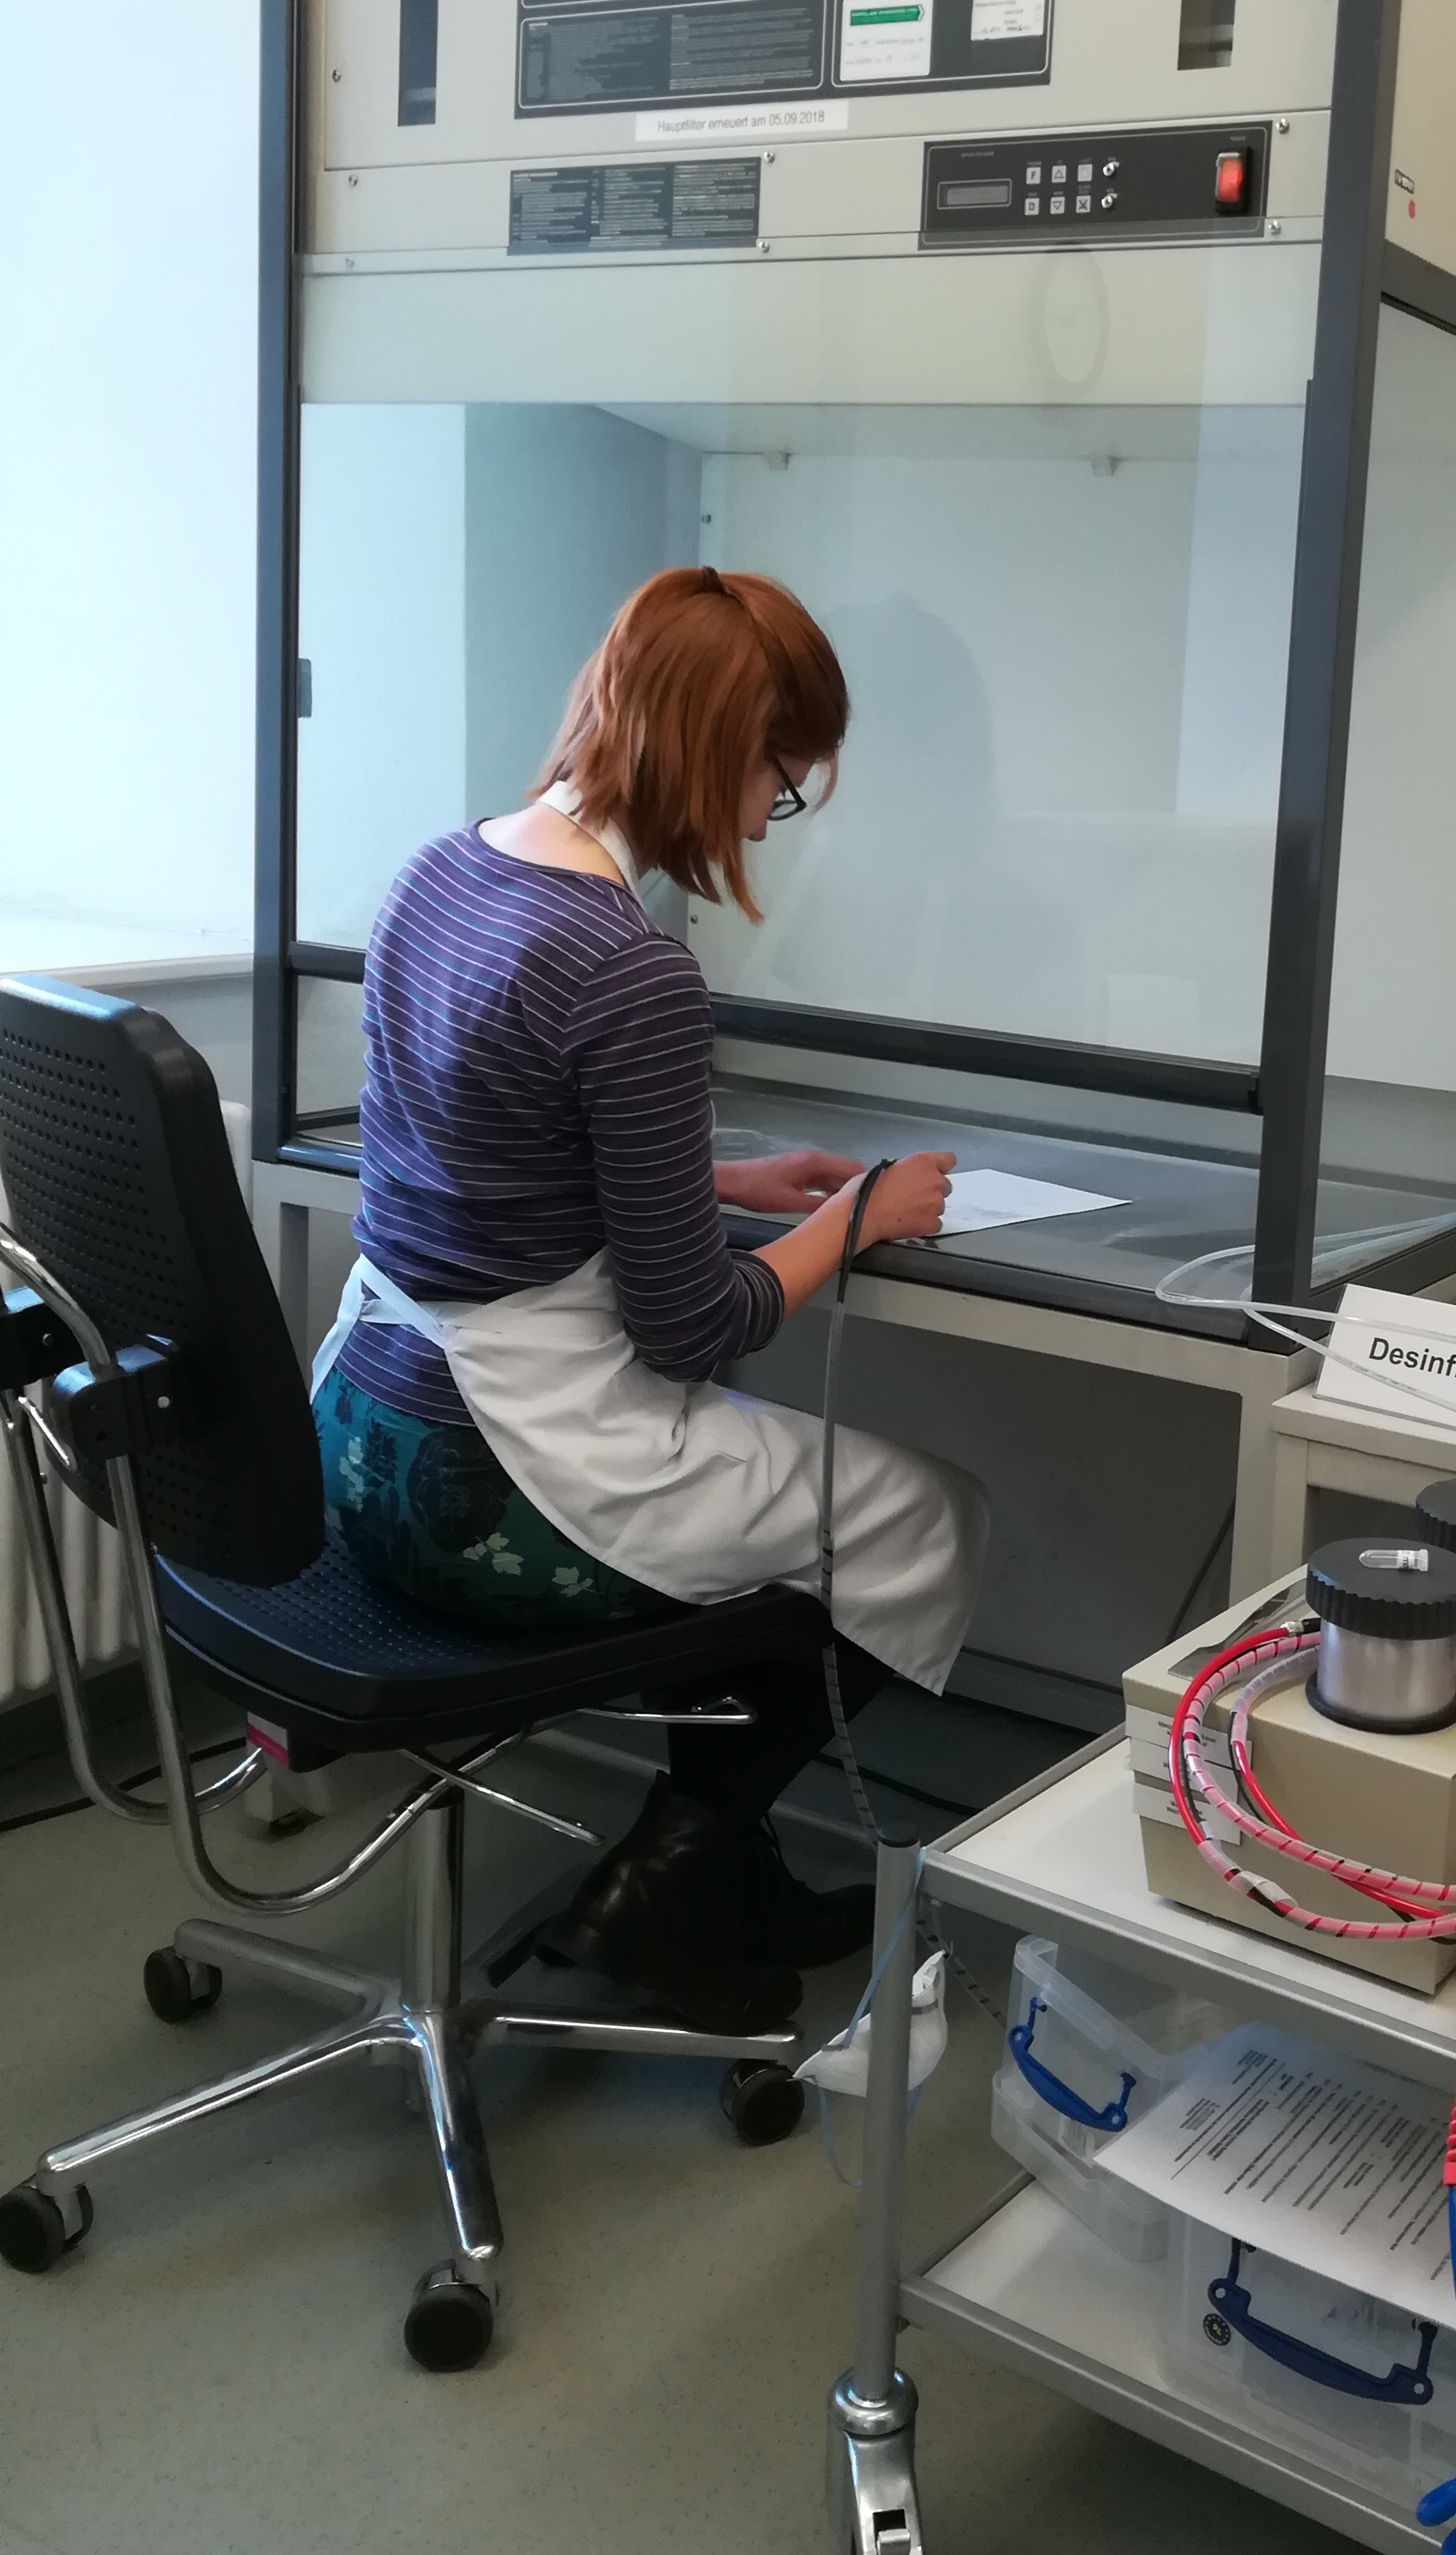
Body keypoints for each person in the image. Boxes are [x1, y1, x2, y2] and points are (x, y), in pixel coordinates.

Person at [308, 566, 987, 2037]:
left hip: (359, 1439)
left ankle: (720, 1869)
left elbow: (483, 1152)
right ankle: (666, 1884)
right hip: (497, 1494)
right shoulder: (629, 966)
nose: (768, 819)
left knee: (781, 1502)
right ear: (713, 745)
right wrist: (858, 1217)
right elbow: (697, 1329)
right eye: (775, 779)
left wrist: (719, 1179)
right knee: (923, 1514)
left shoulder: (441, 871)